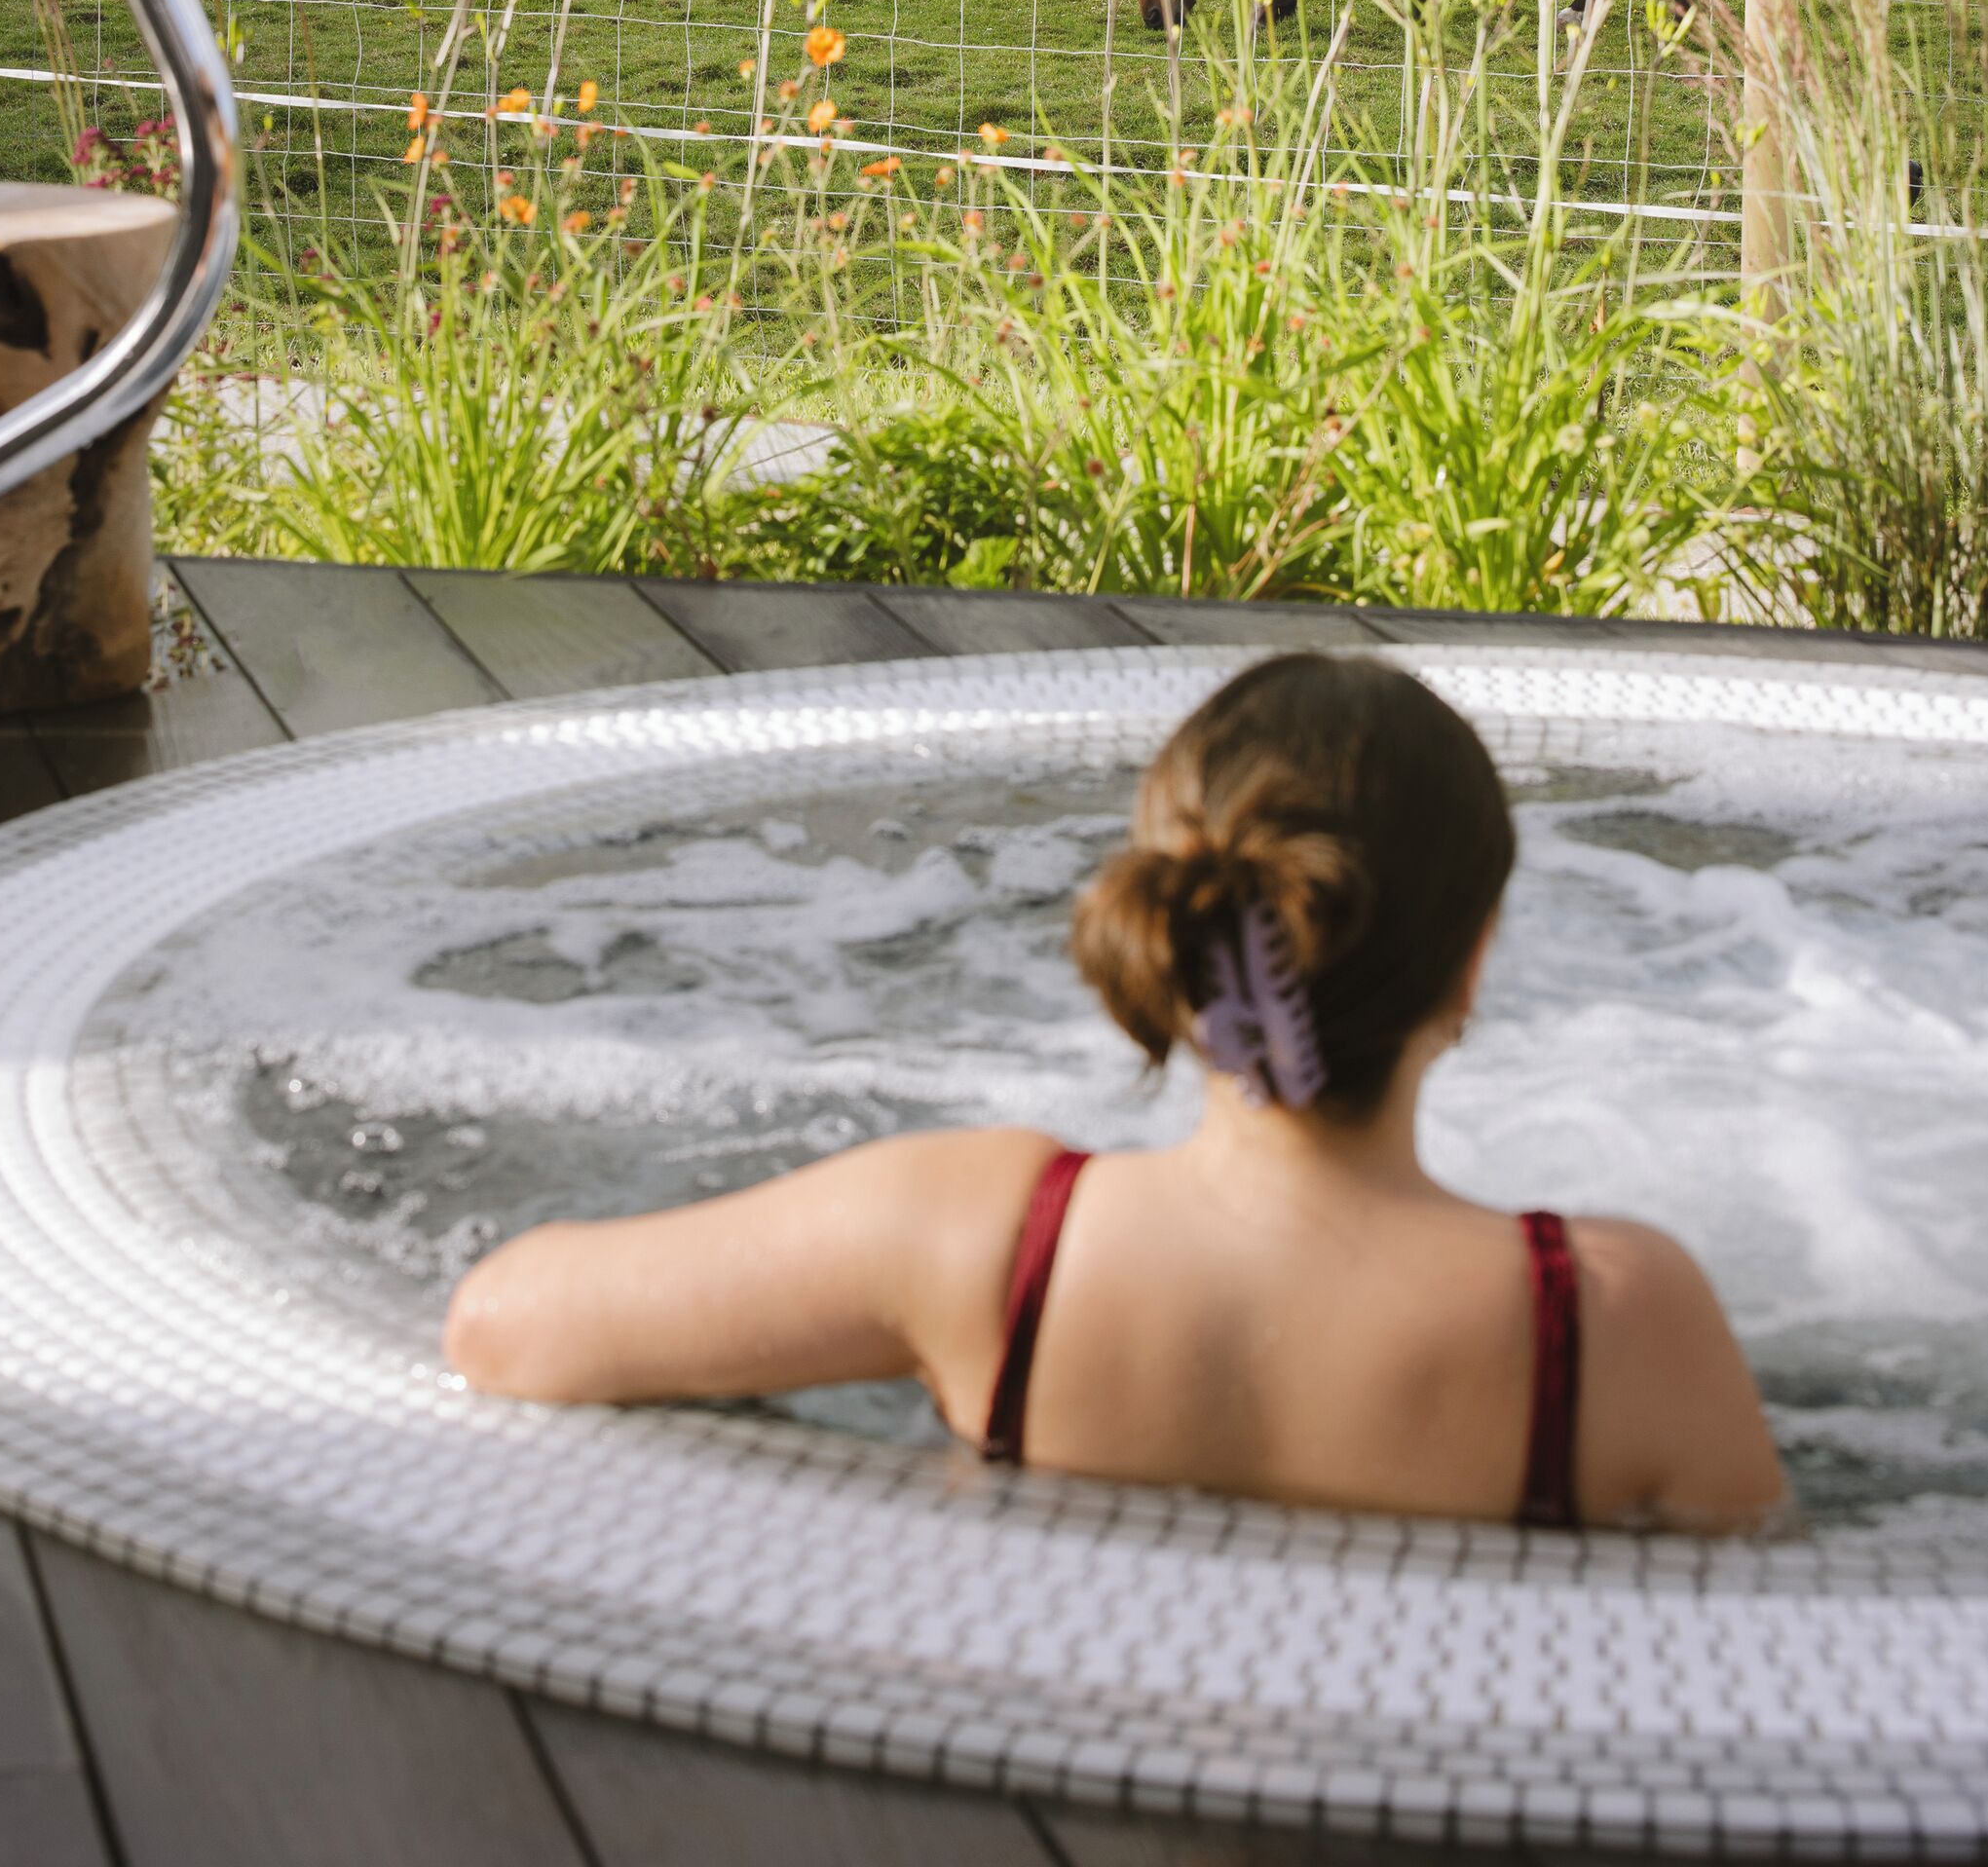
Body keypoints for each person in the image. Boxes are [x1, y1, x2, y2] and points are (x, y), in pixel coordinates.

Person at [443, 652, 1785, 1532]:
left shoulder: (979, 1238)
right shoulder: (1606, 1317)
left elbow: (503, 1325)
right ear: (1472, 958)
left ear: (1176, 937)